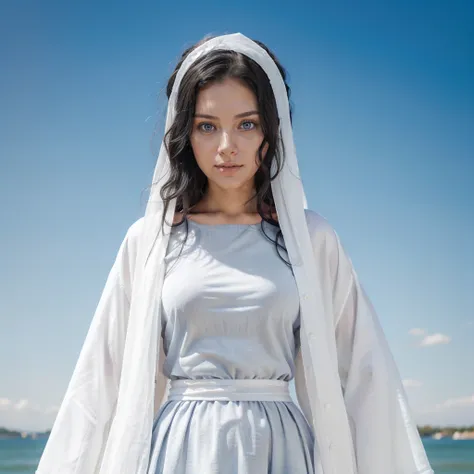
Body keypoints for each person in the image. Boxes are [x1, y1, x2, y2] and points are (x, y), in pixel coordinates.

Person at [36, 33, 433, 474]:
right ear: (185, 133)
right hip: (182, 450)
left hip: (280, 449)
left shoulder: (310, 239)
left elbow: (364, 376)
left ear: (271, 130)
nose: (227, 145)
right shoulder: (149, 241)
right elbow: (100, 379)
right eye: (207, 126)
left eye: (247, 124)